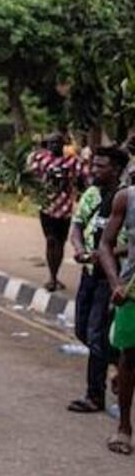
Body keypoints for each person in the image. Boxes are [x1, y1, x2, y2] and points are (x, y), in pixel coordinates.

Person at [66, 147, 129, 415]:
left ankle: (95, 395)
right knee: (83, 330)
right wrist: (80, 250)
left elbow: (128, 243)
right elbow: (77, 226)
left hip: (111, 276)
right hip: (89, 274)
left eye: (100, 166)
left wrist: (103, 255)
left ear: (115, 170)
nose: (93, 170)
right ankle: (123, 366)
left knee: (96, 335)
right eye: (93, 165)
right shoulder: (91, 195)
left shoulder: (126, 199)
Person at [98, 174, 135, 454]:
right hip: (132, 291)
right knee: (130, 356)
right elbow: (105, 245)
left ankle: (123, 379)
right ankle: (124, 427)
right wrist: (116, 283)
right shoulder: (127, 198)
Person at [29, 134, 86, 292]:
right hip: (47, 207)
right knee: (51, 240)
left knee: (60, 242)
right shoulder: (42, 160)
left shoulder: (72, 161)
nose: (53, 146)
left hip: (65, 208)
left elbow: (84, 177)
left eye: (57, 143)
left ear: (63, 144)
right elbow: (30, 175)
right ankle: (52, 277)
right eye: (51, 143)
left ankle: (55, 275)